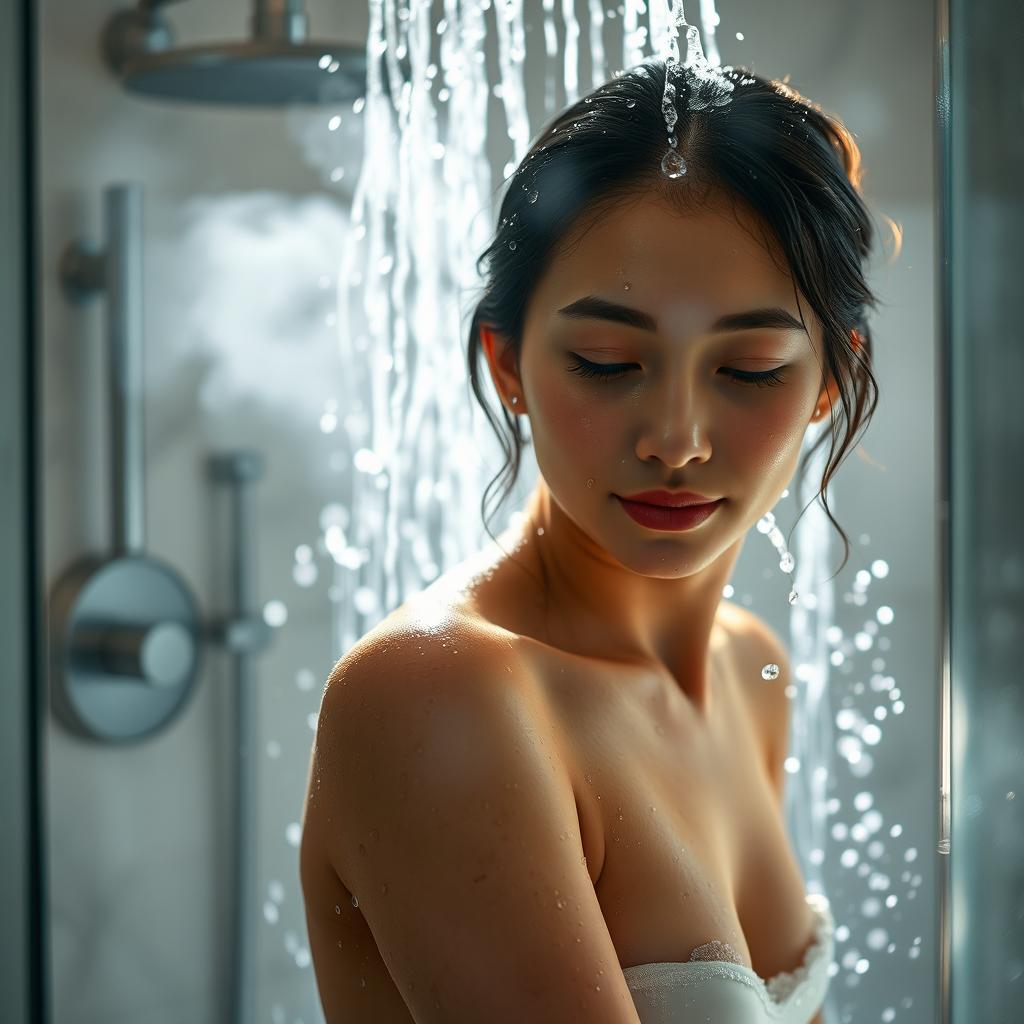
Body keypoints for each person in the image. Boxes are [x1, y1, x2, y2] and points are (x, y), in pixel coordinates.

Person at [300, 56, 886, 1023]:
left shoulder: (748, 674)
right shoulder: (442, 693)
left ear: (829, 380)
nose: (676, 440)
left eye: (750, 369)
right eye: (606, 362)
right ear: (508, 365)